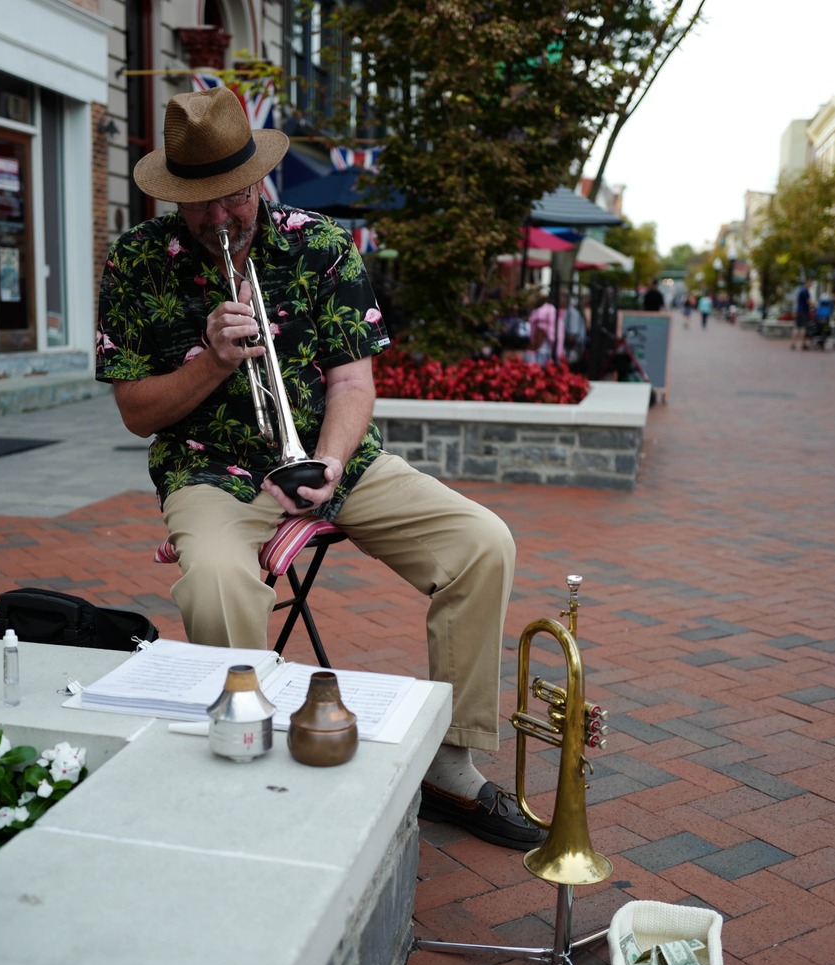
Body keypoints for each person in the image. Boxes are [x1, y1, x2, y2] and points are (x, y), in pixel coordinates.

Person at [96, 87, 542, 850]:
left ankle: (452, 763)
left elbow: (352, 383)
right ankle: (244, 759)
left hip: (338, 458)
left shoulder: (321, 244)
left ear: (256, 181)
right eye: (196, 204)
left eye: (229, 199)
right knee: (214, 582)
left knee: (482, 541)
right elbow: (138, 411)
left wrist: (328, 463)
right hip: (213, 472)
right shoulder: (138, 262)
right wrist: (208, 362)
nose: (217, 220)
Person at [527, 290, 561, 366]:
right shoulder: (550, 309)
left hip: (543, 349)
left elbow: (541, 330)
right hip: (550, 347)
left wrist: (533, 348)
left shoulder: (542, 311)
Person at [790, 281, 812, 349]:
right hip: (804, 312)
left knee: (796, 327)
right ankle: (803, 344)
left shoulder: (799, 290)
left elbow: (796, 300)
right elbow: (808, 302)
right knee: (803, 328)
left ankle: (793, 343)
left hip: (798, 311)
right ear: (807, 283)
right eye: (810, 283)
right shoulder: (806, 291)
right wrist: (814, 305)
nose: (811, 285)